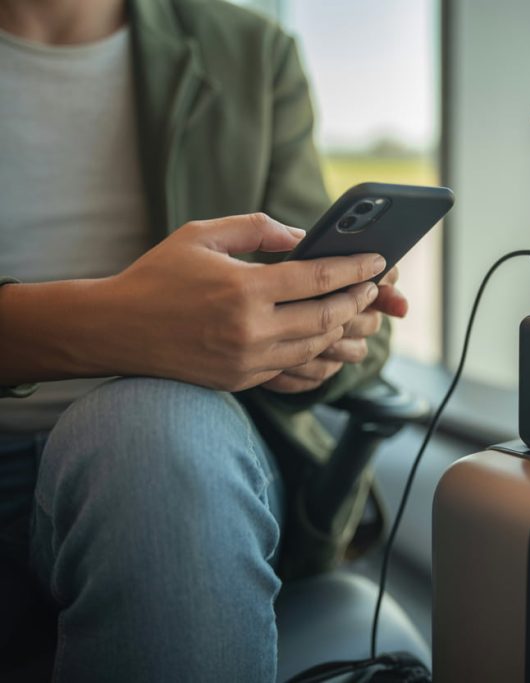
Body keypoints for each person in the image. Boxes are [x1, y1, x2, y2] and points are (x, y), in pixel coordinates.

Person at [0, 0, 407, 679]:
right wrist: (119, 325)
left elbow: (358, 310)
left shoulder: (251, 53)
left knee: (149, 430)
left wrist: (301, 341)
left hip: (176, 456)